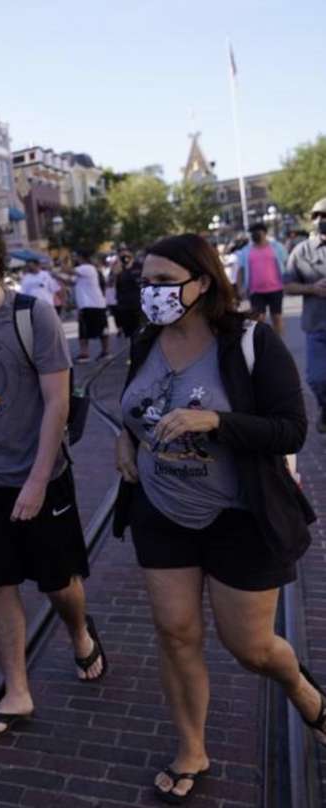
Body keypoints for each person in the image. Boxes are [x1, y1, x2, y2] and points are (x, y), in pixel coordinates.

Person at [114, 233, 323, 804]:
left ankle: (300, 687)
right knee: (176, 633)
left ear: (202, 282)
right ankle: (191, 748)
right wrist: (127, 445)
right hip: (161, 511)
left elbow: (290, 428)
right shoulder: (144, 339)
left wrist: (216, 423)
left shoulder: (249, 339)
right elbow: (137, 410)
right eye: (144, 280)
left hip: (240, 517)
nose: (149, 291)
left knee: (250, 646)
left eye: (162, 281)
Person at [0, 219, 105, 743]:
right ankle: (17, 690)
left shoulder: (34, 315)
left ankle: (79, 630)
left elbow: (57, 400)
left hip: (41, 473)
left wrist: (35, 479)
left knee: (57, 582)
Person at [283, 196, 326, 433]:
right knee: (317, 379)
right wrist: (312, 288)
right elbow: (287, 285)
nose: (322, 221)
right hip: (317, 326)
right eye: (318, 216)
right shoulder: (301, 252)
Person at [235, 222, 288, 335]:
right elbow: (240, 270)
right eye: (252, 233)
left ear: (264, 233)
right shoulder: (246, 251)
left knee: (277, 317)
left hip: (276, 289)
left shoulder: (276, 247)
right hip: (256, 291)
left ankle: (278, 345)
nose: (254, 235)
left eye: (257, 232)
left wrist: (289, 282)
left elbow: (286, 264)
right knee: (258, 319)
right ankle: (261, 344)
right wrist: (240, 288)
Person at [60, 254, 110, 362]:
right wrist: (55, 276)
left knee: (99, 329)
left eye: (76, 257)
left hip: (92, 303)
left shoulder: (87, 268)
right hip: (88, 304)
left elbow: (67, 271)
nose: (74, 259)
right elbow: (71, 282)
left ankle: (103, 352)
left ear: (82, 258)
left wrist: (63, 261)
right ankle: (86, 354)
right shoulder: (83, 271)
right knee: (83, 330)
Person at [112, 247, 143, 340]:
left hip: (139, 304)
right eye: (122, 256)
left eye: (126, 255)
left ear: (131, 255)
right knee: (130, 333)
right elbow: (112, 285)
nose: (125, 257)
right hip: (124, 305)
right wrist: (116, 272)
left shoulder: (139, 266)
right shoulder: (117, 269)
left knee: (141, 331)